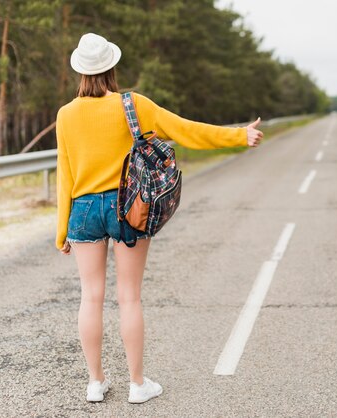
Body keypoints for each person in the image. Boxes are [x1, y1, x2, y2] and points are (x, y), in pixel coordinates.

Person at [55, 33, 263, 404]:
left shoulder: (66, 115)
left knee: (90, 297)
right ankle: (137, 385)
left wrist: (61, 232)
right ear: (111, 68)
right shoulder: (132, 104)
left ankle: (95, 383)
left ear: (80, 72)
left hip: (83, 210)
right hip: (128, 205)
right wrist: (238, 135)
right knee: (129, 297)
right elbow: (185, 128)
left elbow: (64, 174)